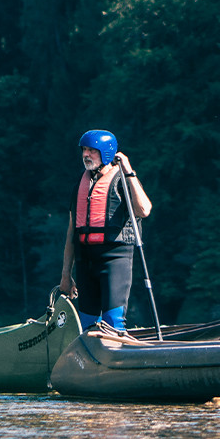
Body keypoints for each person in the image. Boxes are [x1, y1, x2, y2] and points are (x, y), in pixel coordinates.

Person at [59, 130, 152, 332]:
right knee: (85, 325)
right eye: (84, 150)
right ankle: (91, 361)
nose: (86, 154)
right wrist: (66, 273)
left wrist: (129, 171)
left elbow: (144, 210)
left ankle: (118, 357)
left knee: (113, 321)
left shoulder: (123, 180)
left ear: (106, 153)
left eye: (92, 150)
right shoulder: (80, 184)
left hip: (114, 258)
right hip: (85, 260)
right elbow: (71, 232)